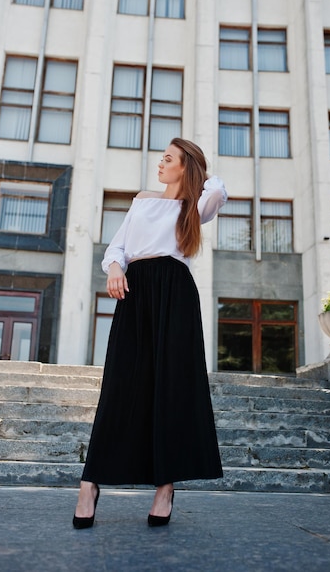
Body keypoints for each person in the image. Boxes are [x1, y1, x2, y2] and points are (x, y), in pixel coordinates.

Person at [73, 137, 227, 529]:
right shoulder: (142, 199)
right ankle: (89, 484)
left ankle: (165, 487)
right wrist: (114, 268)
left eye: (169, 159)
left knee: (172, 387)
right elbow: (118, 247)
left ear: (184, 167)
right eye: (161, 158)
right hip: (136, 289)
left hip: (175, 292)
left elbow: (218, 189)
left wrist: (197, 173)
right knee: (120, 385)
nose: (160, 164)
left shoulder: (194, 208)